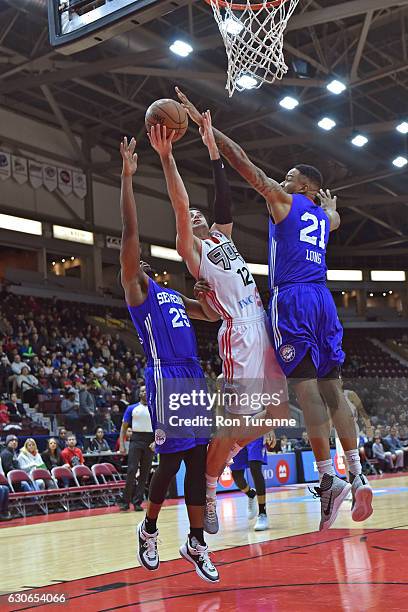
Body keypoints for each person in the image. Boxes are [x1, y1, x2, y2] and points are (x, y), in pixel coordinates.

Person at [176, 87, 373, 531]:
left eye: (289, 177)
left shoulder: (283, 201)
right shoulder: (323, 218)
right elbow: (335, 219)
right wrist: (330, 208)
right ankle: (356, 471)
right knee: (332, 390)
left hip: (291, 302)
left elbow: (244, 163)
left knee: (305, 393)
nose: (281, 181)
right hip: (323, 300)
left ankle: (329, 479)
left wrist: (212, 133)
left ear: (303, 186)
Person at [149, 115, 286, 535]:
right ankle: (207, 494)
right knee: (230, 427)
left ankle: (220, 465)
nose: (194, 212)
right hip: (240, 335)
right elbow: (178, 202)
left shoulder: (221, 237)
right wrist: (167, 158)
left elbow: (222, 200)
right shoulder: (190, 249)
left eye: (197, 212)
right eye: (189, 215)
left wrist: (212, 150)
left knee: (272, 419)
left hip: (261, 324)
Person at [119, 135, 219, 582]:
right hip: (166, 379)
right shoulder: (138, 293)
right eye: (132, 260)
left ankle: (196, 543)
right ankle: (149, 527)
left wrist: (212, 295)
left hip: (195, 375)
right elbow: (130, 234)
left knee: (197, 461)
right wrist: (126, 178)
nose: (138, 261)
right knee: (173, 463)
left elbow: (213, 315)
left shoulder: (171, 293)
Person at [118, 386, 154, 512]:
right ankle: (125, 502)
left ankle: (138, 502)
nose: (145, 392)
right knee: (131, 471)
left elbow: (160, 427)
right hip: (136, 440)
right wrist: (122, 444)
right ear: (139, 394)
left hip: (150, 441)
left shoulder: (155, 408)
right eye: (142, 391)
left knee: (145, 473)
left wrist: (156, 442)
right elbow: (123, 427)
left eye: (147, 390)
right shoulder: (131, 408)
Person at [230, 437, 270, 531]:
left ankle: (262, 513)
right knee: (237, 475)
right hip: (235, 431)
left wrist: (270, 429)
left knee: (255, 467)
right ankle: (251, 494)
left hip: (255, 428)